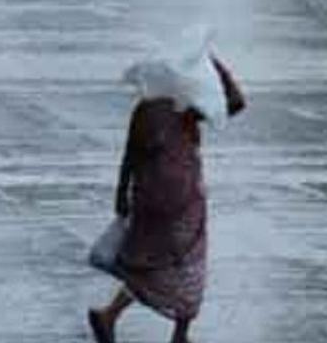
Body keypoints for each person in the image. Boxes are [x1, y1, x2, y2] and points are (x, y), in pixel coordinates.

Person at [88, 55, 248, 343]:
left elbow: (130, 155)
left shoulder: (145, 110)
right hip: (182, 205)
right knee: (188, 264)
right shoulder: (186, 109)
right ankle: (179, 335)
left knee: (150, 264)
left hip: (147, 201)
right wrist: (217, 67)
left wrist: (121, 194)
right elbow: (236, 103)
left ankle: (110, 315)